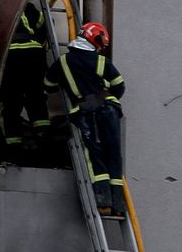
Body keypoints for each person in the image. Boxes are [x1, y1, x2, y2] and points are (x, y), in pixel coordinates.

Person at [47, 20, 127, 214]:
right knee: (113, 155)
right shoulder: (102, 62)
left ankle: (103, 202)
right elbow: (119, 86)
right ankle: (118, 205)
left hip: (84, 112)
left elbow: (48, 85)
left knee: (94, 155)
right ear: (95, 40)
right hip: (109, 110)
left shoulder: (64, 62)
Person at [0, 0, 53, 151]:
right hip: (34, 54)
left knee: (9, 99)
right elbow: (44, 25)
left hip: (11, 54)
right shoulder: (28, 7)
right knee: (35, 95)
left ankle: (13, 142)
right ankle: (43, 132)